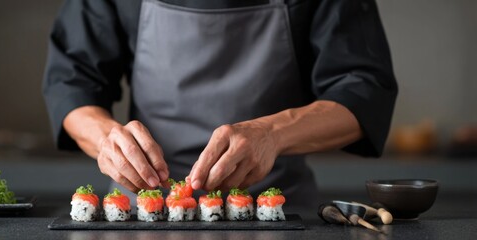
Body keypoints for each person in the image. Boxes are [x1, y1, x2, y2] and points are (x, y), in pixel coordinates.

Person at [42, 0, 397, 206]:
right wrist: (107, 139)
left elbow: (363, 89)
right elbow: (72, 83)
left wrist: (271, 133)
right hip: (142, 208)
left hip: (278, 206)